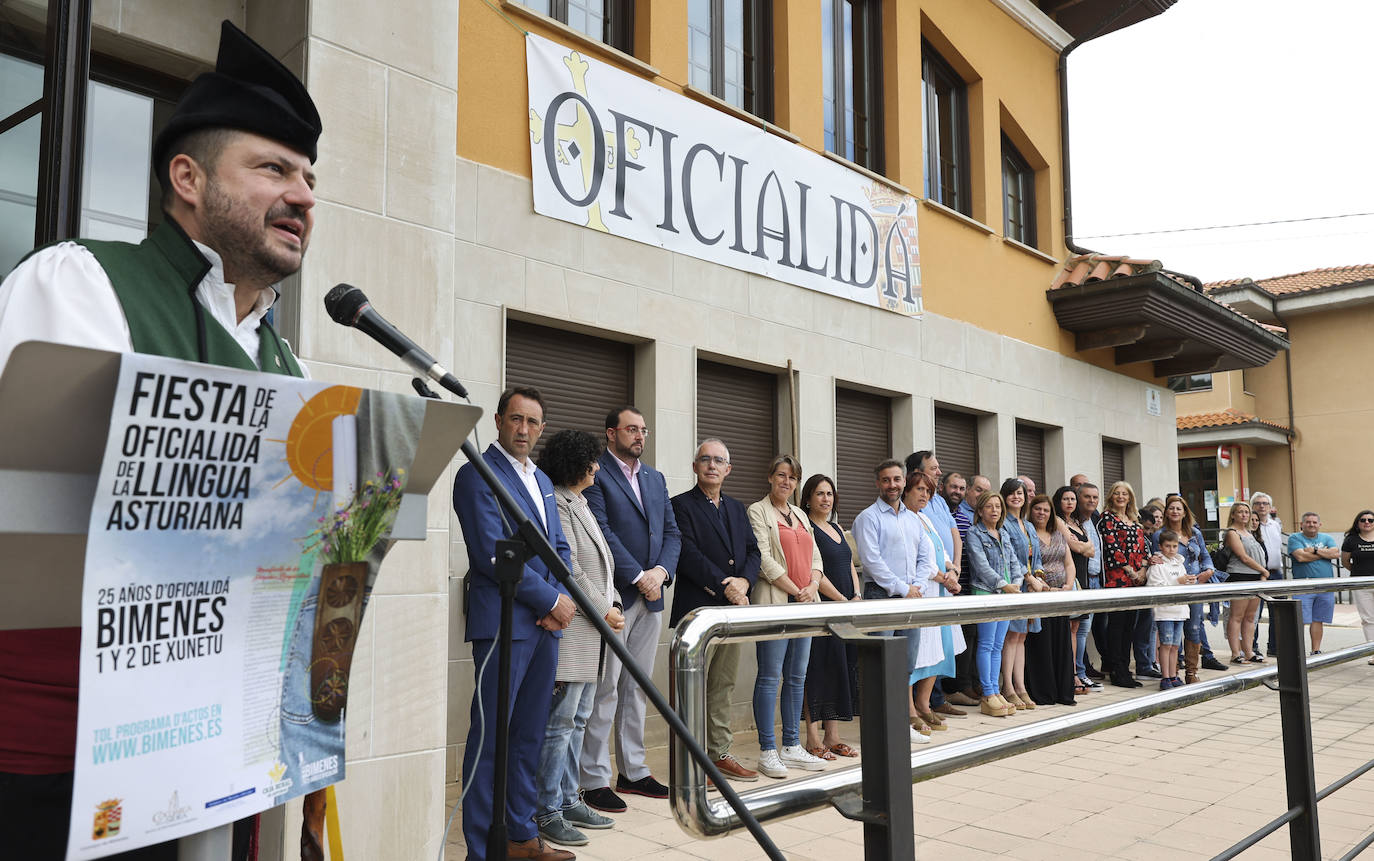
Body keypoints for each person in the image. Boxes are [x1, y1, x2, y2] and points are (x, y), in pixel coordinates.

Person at [0, 22, 319, 861]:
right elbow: (35, 506)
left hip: (222, 743)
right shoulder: (82, 284)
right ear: (187, 177)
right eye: (273, 168)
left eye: (311, 178)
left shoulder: (288, 359)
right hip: (72, 749)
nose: (304, 195)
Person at [453, 387, 577, 861]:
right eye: (516, 420)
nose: (524, 430)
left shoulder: (543, 479)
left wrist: (560, 599)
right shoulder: (476, 474)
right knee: (491, 738)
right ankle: (483, 851)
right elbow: (489, 550)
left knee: (529, 734)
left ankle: (521, 837)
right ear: (500, 421)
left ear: (541, 428)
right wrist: (548, 599)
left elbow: (558, 548)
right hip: (504, 621)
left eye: (533, 422)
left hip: (546, 626)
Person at [581, 407, 681, 809]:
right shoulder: (596, 474)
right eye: (631, 429)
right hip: (615, 596)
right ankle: (593, 777)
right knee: (605, 688)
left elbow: (673, 532)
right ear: (611, 433)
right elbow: (601, 531)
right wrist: (639, 574)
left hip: (652, 595)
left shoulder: (655, 478)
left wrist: (660, 573)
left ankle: (634, 771)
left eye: (643, 430)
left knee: (637, 687)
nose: (639, 436)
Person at [534, 431, 626, 848]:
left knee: (579, 719)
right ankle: (546, 808)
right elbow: (569, 567)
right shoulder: (558, 501)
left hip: (596, 630)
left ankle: (569, 798)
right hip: (576, 630)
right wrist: (603, 608)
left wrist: (616, 603)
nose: (597, 467)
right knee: (560, 723)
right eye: (592, 460)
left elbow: (603, 566)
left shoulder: (583, 502)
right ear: (578, 463)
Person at [669, 439, 762, 781]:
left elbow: (754, 553)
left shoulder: (737, 509)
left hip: (732, 611)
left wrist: (745, 583)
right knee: (692, 687)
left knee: (722, 685)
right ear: (695, 467)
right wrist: (727, 585)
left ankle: (719, 753)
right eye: (704, 459)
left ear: (728, 469)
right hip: (698, 610)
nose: (711, 465)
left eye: (718, 460)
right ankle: (692, 760)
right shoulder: (679, 505)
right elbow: (688, 554)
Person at [748, 455, 829, 776]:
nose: (786, 482)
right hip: (777, 602)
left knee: (797, 677)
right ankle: (768, 750)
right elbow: (763, 559)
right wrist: (796, 589)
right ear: (770, 477)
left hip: (806, 603)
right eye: (781, 475)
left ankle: (792, 745)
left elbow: (816, 556)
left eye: (792, 478)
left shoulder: (799, 514)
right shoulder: (757, 510)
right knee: (770, 677)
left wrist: (811, 584)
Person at [853, 460, 935, 744]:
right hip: (883, 598)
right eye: (886, 480)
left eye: (897, 479)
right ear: (878, 483)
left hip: (911, 599)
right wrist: (903, 588)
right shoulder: (868, 518)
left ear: (903, 481)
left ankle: (899, 723)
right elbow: (871, 562)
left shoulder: (913, 519)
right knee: (881, 666)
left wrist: (918, 587)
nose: (892, 485)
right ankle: (879, 730)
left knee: (905, 665)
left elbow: (926, 557)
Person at [800, 474, 862, 760]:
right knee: (817, 670)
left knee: (840, 667)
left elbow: (849, 564)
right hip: (822, 608)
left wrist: (857, 597)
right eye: (819, 494)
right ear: (809, 498)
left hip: (845, 609)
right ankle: (813, 738)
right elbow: (815, 571)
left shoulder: (837, 526)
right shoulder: (807, 527)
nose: (826, 499)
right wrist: (840, 601)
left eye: (829, 493)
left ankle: (833, 735)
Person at [904, 471, 966, 731]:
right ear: (906, 491)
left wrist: (952, 570)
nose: (924, 495)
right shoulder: (906, 520)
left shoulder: (925, 518)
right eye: (919, 489)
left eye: (928, 491)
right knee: (915, 653)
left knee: (936, 649)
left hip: (939, 592)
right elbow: (924, 563)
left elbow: (942, 550)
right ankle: (908, 708)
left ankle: (924, 702)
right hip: (923, 591)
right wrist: (946, 579)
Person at [1149, 496, 1222, 683]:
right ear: (1166, 512)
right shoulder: (1160, 534)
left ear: (1184, 512)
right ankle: (1172, 673)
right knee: (1172, 631)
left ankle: (1191, 672)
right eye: (1171, 508)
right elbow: (1157, 557)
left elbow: (1205, 556)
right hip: (1174, 587)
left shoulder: (1195, 533)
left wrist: (1209, 570)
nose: (1175, 511)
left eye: (1178, 508)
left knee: (1194, 628)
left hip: (1195, 586)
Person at [965, 491, 1023, 717]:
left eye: (997, 506)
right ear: (980, 510)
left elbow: (1015, 563)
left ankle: (996, 690)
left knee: (998, 645)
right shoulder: (974, 533)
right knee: (987, 644)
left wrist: (1015, 583)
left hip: (1007, 594)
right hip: (986, 593)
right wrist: (1003, 585)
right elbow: (981, 567)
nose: (994, 510)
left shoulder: (1003, 533)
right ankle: (988, 695)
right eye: (989, 506)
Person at [1024, 494, 1077, 706]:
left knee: (1061, 644)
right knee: (1042, 644)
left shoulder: (1057, 534)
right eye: (1037, 509)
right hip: (1040, 596)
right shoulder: (1028, 534)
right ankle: (1044, 692)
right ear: (1032, 511)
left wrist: (1068, 585)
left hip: (1060, 597)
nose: (1042, 513)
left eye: (1046, 510)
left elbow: (1069, 563)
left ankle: (1063, 692)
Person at [999, 478, 1047, 709]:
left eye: (1020, 493)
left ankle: (1021, 687)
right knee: (1011, 637)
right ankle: (1007, 687)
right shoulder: (1003, 524)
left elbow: (1036, 558)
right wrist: (1028, 578)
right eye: (1011, 493)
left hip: (1031, 588)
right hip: (1015, 586)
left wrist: (1038, 576)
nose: (1016, 497)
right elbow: (1010, 558)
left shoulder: (1027, 525)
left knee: (1022, 637)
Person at [1099, 481, 1148, 688]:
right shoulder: (1107, 518)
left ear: (1130, 498)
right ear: (1111, 497)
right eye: (1117, 493)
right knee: (1116, 626)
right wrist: (1129, 570)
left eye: (1124, 494)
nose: (1120, 497)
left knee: (1130, 626)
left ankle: (1126, 669)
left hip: (1136, 579)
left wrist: (1142, 571)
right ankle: (1116, 671)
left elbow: (1143, 549)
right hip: (1117, 578)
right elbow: (1112, 546)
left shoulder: (1135, 521)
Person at [946, 473, 991, 707]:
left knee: (972, 636)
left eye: (962, 488)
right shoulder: (959, 516)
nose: (959, 491)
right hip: (955, 585)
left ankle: (970, 683)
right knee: (962, 637)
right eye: (978, 490)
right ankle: (957, 686)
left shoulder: (971, 518)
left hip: (970, 585)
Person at [1055, 487, 1095, 694]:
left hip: (1083, 578)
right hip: (1070, 579)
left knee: (1078, 629)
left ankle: (1078, 672)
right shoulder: (1058, 521)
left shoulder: (1077, 522)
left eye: (1072, 499)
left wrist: (1084, 546)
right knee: (1070, 628)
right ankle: (1071, 674)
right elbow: (1078, 548)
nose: (1069, 503)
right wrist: (1084, 545)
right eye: (1065, 499)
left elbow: (1092, 550)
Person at [1221, 502, 1269, 664]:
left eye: (1246, 512)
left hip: (1255, 577)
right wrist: (1263, 570)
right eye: (1240, 512)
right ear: (1233, 514)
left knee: (1250, 617)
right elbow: (1243, 557)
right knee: (1236, 616)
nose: (1244, 515)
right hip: (1240, 576)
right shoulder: (1232, 533)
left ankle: (1249, 651)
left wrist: (1261, 573)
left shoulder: (1249, 533)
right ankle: (1236, 653)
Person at [1145, 530, 1193, 690]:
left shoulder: (1180, 564)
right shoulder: (1157, 566)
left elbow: (1181, 583)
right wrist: (1177, 581)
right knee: (1165, 644)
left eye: (1175, 546)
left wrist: (1189, 582)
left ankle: (1173, 675)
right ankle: (1165, 677)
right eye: (1168, 546)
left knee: (1174, 646)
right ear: (1160, 546)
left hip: (1180, 610)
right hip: (1165, 611)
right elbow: (1155, 587)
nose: (1172, 549)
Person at [1287, 513, 1339, 655]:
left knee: (1318, 620)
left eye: (1314, 522)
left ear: (1319, 524)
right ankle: (1297, 652)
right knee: (1300, 621)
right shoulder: (1295, 538)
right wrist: (1324, 553)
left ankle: (1315, 650)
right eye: (1308, 522)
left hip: (1325, 585)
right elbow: (1300, 557)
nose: (1311, 524)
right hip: (1304, 585)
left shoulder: (1326, 538)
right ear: (1301, 524)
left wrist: (1315, 550)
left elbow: (1335, 554)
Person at [1073, 480, 1108, 682]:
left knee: (1085, 631)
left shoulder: (1095, 519)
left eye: (1095, 497)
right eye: (1087, 496)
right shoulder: (1074, 521)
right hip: (1082, 582)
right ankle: (1079, 672)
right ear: (1078, 498)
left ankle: (1082, 670)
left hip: (1097, 581)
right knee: (1080, 630)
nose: (1092, 500)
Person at [1132, 504, 1165, 679]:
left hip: (1148, 587)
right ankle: (1143, 664)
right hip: (1133, 585)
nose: (1147, 532)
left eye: (1150, 529)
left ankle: (1146, 663)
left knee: (1146, 628)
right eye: (1144, 528)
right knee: (1138, 628)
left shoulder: (1149, 540)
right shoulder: (1135, 539)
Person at [1250, 492, 1284, 658]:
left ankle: (1275, 647)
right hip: (1257, 574)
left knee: (1278, 612)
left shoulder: (1275, 525)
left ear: (1270, 507)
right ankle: (1252, 646)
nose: (1261, 506)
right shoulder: (1251, 526)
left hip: (1276, 573)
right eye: (1257, 503)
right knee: (1254, 613)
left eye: (1264, 503)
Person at [1339, 510, 1374, 664]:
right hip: (1362, 584)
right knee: (1368, 619)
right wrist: (1359, 573)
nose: (1367, 522)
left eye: (1371, 520)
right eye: (1363, 520)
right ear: (1357, 523)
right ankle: (1372, 651)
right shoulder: (1351, 540)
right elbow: (1345, 562)